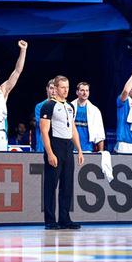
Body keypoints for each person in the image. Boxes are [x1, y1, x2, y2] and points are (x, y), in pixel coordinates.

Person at [40, 75, 84, 230]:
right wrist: (50, 153)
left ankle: (65, 218)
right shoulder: (48, 105)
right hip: (55, 145)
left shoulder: (70, 107)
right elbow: (44, 132)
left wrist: (79, 149)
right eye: (63, 87)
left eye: (67, 87)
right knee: (51, 185)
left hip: (67, 148)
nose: (66, 90)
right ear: (56, 88)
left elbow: (73, 129)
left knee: (67, 185)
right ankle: (50, 220)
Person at [71, 82, 105, 152]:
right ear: (77, 92)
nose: (85, 93)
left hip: (88, 149)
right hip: (71, 149)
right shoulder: (69, 107)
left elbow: (100, 133)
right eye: (82, 90)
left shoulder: (95, 110)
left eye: (87, 90)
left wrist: (101, 151)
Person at [35, 79, 56, 152]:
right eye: (51, 88)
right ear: (47, 89)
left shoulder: (63, 106)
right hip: (42, 146)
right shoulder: (39, 106)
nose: (53, 91)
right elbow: (42, 125)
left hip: (57, 144)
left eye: (56, 89)